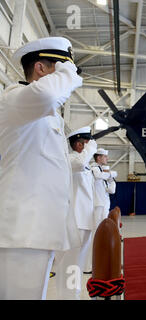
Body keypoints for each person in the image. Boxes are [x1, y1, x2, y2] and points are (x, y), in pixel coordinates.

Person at [0, 37, 82, 299]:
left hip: (37, 230)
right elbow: (48, 94)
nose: (68, 76)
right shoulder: (14, 99)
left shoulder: (42, 113)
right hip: (22, 231)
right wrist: (70, 69)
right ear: (41, 68)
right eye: (60, 68)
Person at [55, 126, 97, 299]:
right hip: (73, 222)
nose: (90, 147)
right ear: (79, 145)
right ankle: (68, 296)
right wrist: (92, 147)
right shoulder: (69, 160)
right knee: (70, 264)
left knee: (77, 264)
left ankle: (75, 295)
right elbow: (80, 163)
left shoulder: (85, 165)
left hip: (85, 221)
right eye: (86, 143)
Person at [84, 148, 117, 273]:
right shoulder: (94, 169)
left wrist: (110, 179)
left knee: (100, 234)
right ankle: (89, 265)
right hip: (97, 206)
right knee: (95, 234)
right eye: (105, 157)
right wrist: (112, 174)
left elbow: (111, 190)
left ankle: (97, 262)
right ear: (98, 158)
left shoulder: (102, 172)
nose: (107, 159)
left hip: (103, 205)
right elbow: (98, 176)